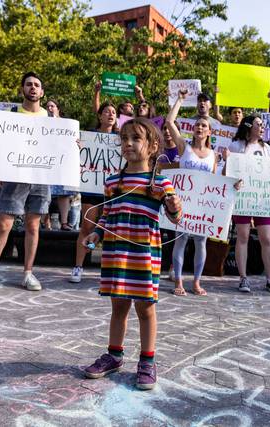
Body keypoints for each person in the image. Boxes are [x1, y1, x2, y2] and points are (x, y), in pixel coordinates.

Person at [82, 118, 182, 390]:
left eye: (135, 138)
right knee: (118, 307)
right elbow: (107, 214)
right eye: (124, 138)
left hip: (144, 254)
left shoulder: (160, 184)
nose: (128, 143)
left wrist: (175, 205)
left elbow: (175, 216)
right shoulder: (113, 182)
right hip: (116, 253)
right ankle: (114, 356)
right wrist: (97, 234)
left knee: (145, 309)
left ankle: (147, 362)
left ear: (152, 146)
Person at [0, 72, 50, 293]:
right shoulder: (9, 115)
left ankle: (27, 273)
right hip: (15, 177)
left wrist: (73, 143)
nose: (33, 88)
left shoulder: (51, 119)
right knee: (4, 224)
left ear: (42, 92)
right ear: (22, 89)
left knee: (33, 226)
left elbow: (57, 145)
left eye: (37, 85)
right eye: (29, 84)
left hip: (41, 177)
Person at [166, 89, 218, 296]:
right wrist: (179, 100)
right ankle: (178, 281)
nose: (199, 127)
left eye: (203, 125)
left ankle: (196, 282)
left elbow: (216, 182)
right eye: (197, 125)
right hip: (182, 202)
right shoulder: (184, 148)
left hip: (203, 205)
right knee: (181, 239)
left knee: (200, 241)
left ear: (209, 132)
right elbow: (170, 122)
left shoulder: (213, 155)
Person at [223, 115, 270, 294]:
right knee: (243, 237)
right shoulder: (236, 146)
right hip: (243, 197)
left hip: (262, 197)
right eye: (259, 124)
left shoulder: (266, 148)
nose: (262, 127)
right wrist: (228, 163)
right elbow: (226, 173)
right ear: (249, 126)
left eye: (262, 125)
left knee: (266, 237)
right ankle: (243, 278)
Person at [70, 101, 119, 283]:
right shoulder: (89, 137)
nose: (111, 114)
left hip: (113, 191)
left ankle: (109, 268)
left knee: (110, 229)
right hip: (91, 188)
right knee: (87, 227)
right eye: (107, 111)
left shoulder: (121, 140)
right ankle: (78, 266)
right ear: (100, 116)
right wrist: (78, 148)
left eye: (113, 112)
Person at [45, 98, 76, 231]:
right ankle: (45, 223)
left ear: (58, 108)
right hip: (45, 162)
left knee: (63, 194)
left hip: (62, 163)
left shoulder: (66, 124)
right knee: (44, 193)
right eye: (47, 106)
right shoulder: (41, 122)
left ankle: (64, 222)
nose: (50, 108)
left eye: (52, 106)